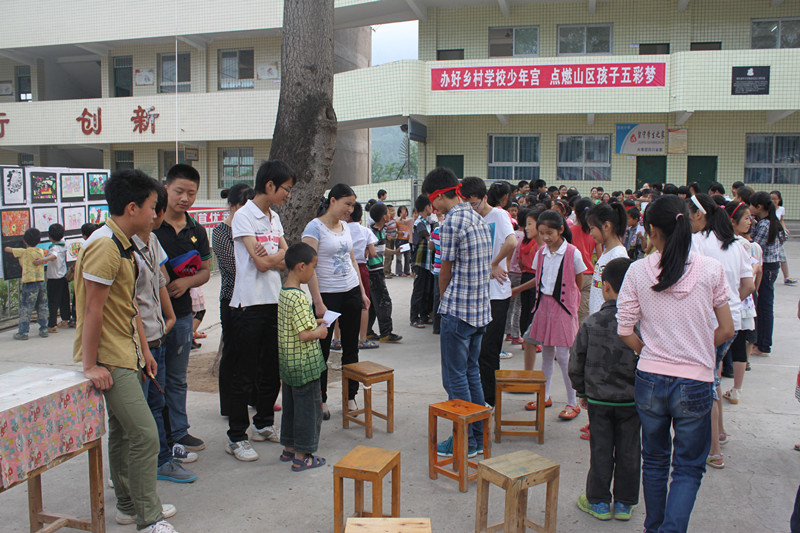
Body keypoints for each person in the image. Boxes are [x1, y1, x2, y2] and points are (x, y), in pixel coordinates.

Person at [617, 194, 733, 533]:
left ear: (653, 230)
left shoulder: (638, 270)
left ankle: (654, 528)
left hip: (650, 378)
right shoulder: (710, 269)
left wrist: (649, 351)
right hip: (695, 382)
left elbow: (625, 329)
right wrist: (695, 347)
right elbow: (726, 329)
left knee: (653, 461)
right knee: (687, 468)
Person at [73, 169, 178, 532]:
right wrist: (90, 365)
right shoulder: (104, 245)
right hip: (110, 357)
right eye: (152, 207)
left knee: (121, 433)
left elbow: (127, 304)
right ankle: (149, 518)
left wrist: (144, 351)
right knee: (146, 434)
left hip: (130, 350)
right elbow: (92, 309)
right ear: (131, 208)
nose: (155, 214)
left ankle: (128, 505)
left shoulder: (125, 243)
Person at [422, 167, 492, 458]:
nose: (432, 206)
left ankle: (462, 438)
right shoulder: (476, 216)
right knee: (471, 373)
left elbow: (444, 271)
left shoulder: (450, 223)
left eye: (431, 199)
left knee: (454, 379)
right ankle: (476, 438)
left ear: (438, 195)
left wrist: (442, 305)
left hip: (459, 311)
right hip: (479, 310)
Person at [224, 160, 291, 461]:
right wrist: (274, 257)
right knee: (245, 373)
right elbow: (262, 263)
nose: (288, 194)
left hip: (273, 301)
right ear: (270, 186)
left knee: (272, 370)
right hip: (248, 304)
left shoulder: (274, 218)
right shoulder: (244, 217)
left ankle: (263, 424)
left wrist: (272, 256)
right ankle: (237, 436)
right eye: (286, 189)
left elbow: (286, 257)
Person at [132, 181, 195, 482]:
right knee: (138, 413)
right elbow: (126, 305)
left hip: (157, 335)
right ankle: (135, 470)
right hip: (138, 344)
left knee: (157, 403)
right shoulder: (117, 246)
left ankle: (163, 458)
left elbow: (160, 281)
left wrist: (169, 319)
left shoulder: (151, 242)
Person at [570, 257, 639, 522]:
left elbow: (577, 361)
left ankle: (598, 501)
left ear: (606, 287)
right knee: (630, 450)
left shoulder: (591, 322)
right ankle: (624, 503)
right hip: (631, 401)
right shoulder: (640, 323)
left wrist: (582, 391)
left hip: (598, 399)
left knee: (601, 449)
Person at [688, 193, 754, 468]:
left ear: (700, 215)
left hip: (712, 324)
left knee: (709, 383)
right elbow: (749, 285)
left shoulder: (699, 243)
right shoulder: (736, 244)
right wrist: (730, 304)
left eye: (690, 216)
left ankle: (714, 449)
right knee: (714, 375)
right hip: (734, 322)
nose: (688, 221)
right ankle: (721, 432)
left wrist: (716, 308)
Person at [153, 164, 211, 452]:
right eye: (179, 191)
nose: (185, 198)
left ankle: (179, 431)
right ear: (166, 189)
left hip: (184, 314)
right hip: (153, 316)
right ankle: (159, 438)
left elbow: (205, 271)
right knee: (156, 380)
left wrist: (186, 284)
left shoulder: (196, 230)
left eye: (191, 193)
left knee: (177, 377)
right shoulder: (151, 225)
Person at [302, 184, 370, 420]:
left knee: (351, 348)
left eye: (353, 205)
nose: (350, 209)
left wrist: (361, 292)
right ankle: (320, 399)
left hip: (350, 291)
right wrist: (318, 301)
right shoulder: (314, 227)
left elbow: (352, 260)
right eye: (347, 204)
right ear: (332, 201)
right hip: (327, 297)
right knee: (321, 349)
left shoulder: (345, 227)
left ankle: (350, 396)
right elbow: (308, 268)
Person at [523, 210, 586, 420]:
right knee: (547, 354)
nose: (546, 237)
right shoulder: (541, 252)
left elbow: (579, 282)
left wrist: (570, 303)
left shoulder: (572, 252)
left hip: (563, 307)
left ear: (561, 230)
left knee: (564, 357)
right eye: (542, 233)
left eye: (550, 232)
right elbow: (538, 277)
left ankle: (572, 401)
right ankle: (545, 395)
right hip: (544, 305)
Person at [462, 178, 517, 406]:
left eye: (475, 204)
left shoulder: (499, 215)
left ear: (484, 198)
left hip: (496, 294)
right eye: (468, 204)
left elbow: (512, 242)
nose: (472, 208)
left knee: (488, 351)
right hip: (476, 293)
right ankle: (477, 397)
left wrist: (495, 264)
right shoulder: (470, 218)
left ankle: (490, 401)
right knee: (473, 350)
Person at [278, 242, 329, 472]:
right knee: (309, 409)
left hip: (288, 364)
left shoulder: (285, 293)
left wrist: (313, 322)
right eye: (313, 267)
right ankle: (303, 455)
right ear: (301, 267)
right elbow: (304, 334)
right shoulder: (299, 297)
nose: (313, 271)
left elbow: (295, 325)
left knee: (291, 406)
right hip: (305, 365)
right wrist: (319, 331)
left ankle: (289, 448)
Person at [212, 183, 255, 417]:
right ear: (231, 206)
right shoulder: (220, 232)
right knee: (232, 352)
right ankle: (229, 405)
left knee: (254, 352)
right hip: (231, 298)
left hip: (255, 298)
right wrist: (260, 261)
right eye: (242, 206)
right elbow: (234, 267)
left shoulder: (251, 229)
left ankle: (254, 397)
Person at [722, 200, 762, 405]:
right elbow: (754, 270)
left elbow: (753, 271)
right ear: (732, 220)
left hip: (737, 298)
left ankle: (734, 389)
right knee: (738, 345)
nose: (750, 222)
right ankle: (736, 389)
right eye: (746, 218)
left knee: (729, 347)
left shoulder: (738, 244)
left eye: (750, 218)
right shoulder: (739, 243)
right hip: (741, 300)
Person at [511, 206, 544, 378]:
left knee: (560, 354)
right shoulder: (537, 248)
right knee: (531, 338)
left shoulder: (547, 249)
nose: (526, 227)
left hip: (552, 305)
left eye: (530, 224)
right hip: (538, 294)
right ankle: (529, 380)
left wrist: (517, 288)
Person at [750, 191, 784, 356]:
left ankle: (763, 345)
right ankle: (762, 343)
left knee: (764, 306)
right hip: (772, 265)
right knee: (764, 305)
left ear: (759, 207)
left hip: (767, 267)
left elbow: (755, 248)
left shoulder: (764, 225)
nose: (749, 208)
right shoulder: (770, 221)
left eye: (751, 205)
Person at [367, 202, 403, 344]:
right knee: (384, 301)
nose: (390, 214)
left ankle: (368, 331)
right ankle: (386, 333)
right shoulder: (371, 233)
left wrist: (394, 251)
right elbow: (369, 252)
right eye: (388, 212)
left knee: (373, 303)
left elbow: (381, 249)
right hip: (373, 272)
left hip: (378, 270)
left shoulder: (382, 230)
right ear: (383, 217)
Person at [5, 228, 48, 340]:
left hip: (29, 283)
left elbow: (7, 249)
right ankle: (44, 329)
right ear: (39, 241)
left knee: (26, 307)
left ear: (24, 241)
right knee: (42, 306)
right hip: (41, 281)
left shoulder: (23, 252)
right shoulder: (40, 251)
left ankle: (23, 332)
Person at [587, 203, 629, 315]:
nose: (591, 234)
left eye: (592, 229)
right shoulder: (606, 251)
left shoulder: (618, 255)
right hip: (598, 316)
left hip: (607, 321)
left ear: (606, 226)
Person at [347, 202, 379, 349]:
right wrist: (366, 251)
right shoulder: (365, 231)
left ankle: (337, 339)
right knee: (364, 304)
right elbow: (373, 253)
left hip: (344, 266)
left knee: (342, 302)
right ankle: (363, 339)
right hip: (361, 266)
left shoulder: (342, 228)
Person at [571, 198, 602, 324]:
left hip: (572, 275)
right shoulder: (594, 232)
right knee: (583, 314)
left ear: (575, 212)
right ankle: (580, 342)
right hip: (589, 275)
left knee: (570, 311)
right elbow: (600, 257)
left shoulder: (569, 231)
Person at [409, 195, 434, 328]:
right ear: (426, 207)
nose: (432, 208)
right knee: (419, 290)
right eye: (430, 206)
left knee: (426, 289)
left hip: (427, 262)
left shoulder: (427, 222)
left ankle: (423, 315)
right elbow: (429, 238)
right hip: (420, 262)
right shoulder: (420, 222)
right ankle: (414, 317)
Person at [41, 223, 70, 333]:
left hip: (54, 278)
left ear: (50, 236)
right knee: (64, 299)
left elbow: (54, 256)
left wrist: (43, 260)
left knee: (53, 301)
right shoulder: (64, 245)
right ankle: (65, 320)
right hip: (63, 275)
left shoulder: (54, 248)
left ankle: (52, 324)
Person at [771, 190, 797, 285]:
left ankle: (786, 277)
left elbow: (781, 220)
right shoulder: (767, 209)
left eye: (775, 199)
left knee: (782, 257)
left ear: (779, 200)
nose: (773, 201)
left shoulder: (781, 209)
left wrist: (785, 228)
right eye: (771, 199)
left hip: (778, 237)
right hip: (770, 236)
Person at [395, 206, 412, 276]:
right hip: (400, 240)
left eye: (405, 211)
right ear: (399, 213)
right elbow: (394, 230)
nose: (404, 213)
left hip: (407, 240)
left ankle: (407, 271)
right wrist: (399, 232)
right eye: (402, 212)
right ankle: (399, 272)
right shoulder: (398, 221)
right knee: (399, 257)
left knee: (407, 256)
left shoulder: (408, 220)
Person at [383, 204, 397, 278]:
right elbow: (383, 231)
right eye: (391, 211)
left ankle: (389, 270)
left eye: (394, 210)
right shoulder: (386, 221)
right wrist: (387, 236)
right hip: (387, 240)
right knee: (388, 256)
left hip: (393, 240)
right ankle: (385, 272)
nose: (393, 212)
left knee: (391, 256)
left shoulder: (393, 220)